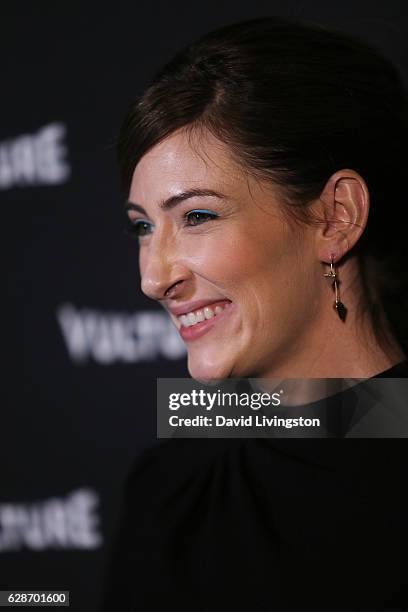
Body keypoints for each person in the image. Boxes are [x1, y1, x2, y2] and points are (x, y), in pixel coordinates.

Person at [101, 17, 408, 611]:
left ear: (336, 217)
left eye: (197, 216)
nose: (153, 277)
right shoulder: (170, 484)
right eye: (143, 227)